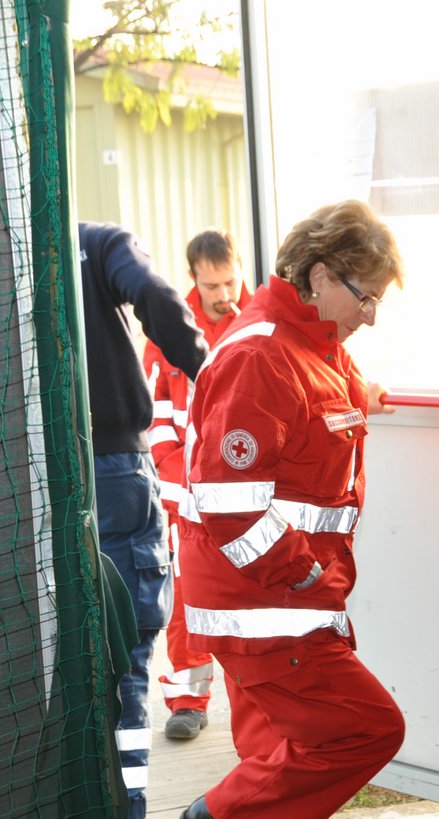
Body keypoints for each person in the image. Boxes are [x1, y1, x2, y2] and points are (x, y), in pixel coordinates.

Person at [172, 200, 406, 819]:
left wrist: (361, 396)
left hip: (280, 607)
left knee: (289, 781)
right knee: (366, 729)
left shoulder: (315, 343)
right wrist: (304, 577)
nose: (370, 315)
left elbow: (313, 413)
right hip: (271, 612)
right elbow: (227, 502)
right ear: (317, 274)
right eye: (363, 295)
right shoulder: (260, 352)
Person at [77, 221, 210, 819]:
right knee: (126, 647)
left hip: (25, 473)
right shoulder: (96, 244)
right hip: (111, 468)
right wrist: (205, 371)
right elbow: (153, 293)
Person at [141, 230, 253, 741]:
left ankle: (256, 706)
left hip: (247, 494)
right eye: (212, 285)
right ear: (193, 279)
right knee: (186, 599)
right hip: (185, 496)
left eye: (230, 280)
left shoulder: (259, 323)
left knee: (250, 601)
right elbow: (154, 413)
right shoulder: (167, 330)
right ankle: (188, 700)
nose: (224, 293)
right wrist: (172, 473)